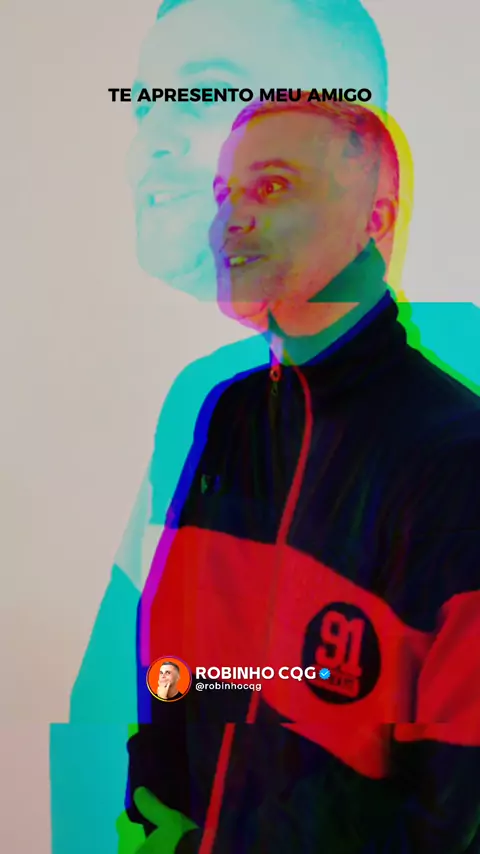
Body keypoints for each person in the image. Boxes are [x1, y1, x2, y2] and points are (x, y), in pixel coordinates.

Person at [51, 3, 391, 854]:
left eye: (203, 97)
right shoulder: (215, 403)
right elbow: (142, 680)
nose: (149, 145)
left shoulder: (448, 416)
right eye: (144, 104)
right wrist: (159, 803)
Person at [127, 96, 480, 853]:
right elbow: (178, 652)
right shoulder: (232, 415)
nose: (232, 220)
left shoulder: (460, 451)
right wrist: (157, 799)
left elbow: (456, 787)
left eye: (273, 186)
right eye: (226, 194)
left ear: (375, 221)